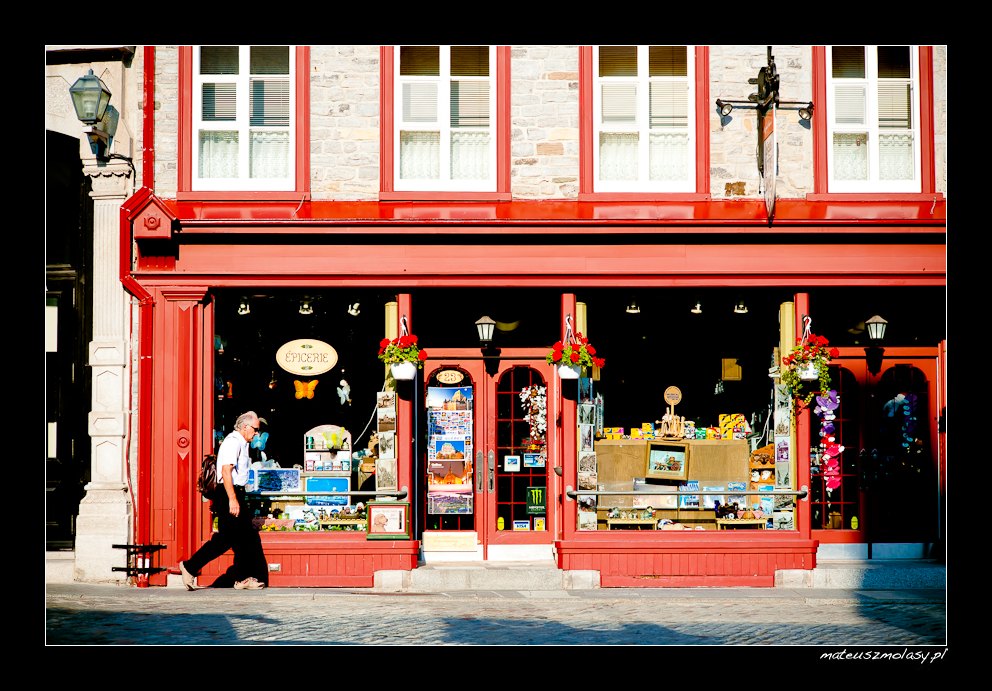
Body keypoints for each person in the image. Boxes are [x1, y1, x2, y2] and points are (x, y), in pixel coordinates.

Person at [179, 411, 268, 590]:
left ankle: (242, 578)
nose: (257, 434)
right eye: (255, 429)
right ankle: (190, 566)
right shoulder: (232, 442)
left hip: (235, 492)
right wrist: (233, 500)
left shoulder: (242, 443)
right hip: (228, 493)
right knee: (226, 539)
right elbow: (226, 471)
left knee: (246, 538)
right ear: (245, 427)